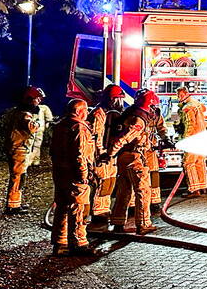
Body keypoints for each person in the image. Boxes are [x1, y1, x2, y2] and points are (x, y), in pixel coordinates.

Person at [107, 90, 160, 235]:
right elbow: (124, 138)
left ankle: (118, 222)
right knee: (143, 190)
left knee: (124, 191)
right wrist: (110, 154)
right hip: (133, 158)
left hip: (125, 157)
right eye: (152, 106)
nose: (153, 109)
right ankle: (143, 224)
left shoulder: (131, 113)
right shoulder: (138, 120)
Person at [50, 99, 97, 256]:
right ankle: (79, 243)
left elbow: (52, 151)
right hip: (74, 175)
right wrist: (83, 174)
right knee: (79, 208)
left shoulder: (60, 125)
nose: (87, 114)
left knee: (62, 207)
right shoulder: (79, 128)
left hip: (60, 172)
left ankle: (60, 242)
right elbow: (80, 154)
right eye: (85, 111)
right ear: (79, 111)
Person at [88, 85, 125, 226]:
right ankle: (97, 213)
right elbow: (97, 136)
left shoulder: (111, 112)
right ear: (111, 99)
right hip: (101, 155)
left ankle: (104, 209)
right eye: (118, 99)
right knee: (101, 183)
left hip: (110, 154)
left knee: (109, 182)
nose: (120, 103)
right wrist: (101, 153)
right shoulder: (99, 113)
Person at [3, 87, 43, 214]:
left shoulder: (17, 111)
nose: (39, 101)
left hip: (16, 147)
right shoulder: (24, 114)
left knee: (19, 176)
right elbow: (31, 127)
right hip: (19, 148)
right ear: (30, 99)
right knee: (19, 177)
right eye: (37, 98)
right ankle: (12, 206)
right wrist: (38, 123)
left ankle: (15, 203)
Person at [175, 87, 207, 197]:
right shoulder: (196, 103)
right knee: (199, 162)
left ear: (184, 94)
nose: (178, 98)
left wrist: (185, 139)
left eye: (179, 95)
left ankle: (194, 190)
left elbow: (190, 125)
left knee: (188, 163)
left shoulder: (187, 108)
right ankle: (202, 186)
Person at [28, 99, 54, 167]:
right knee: (31, 145)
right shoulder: (30, 107)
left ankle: (35, 161)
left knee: (36, 145)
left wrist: (47, 125)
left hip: (38, 129)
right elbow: (49, 118)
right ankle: (31, 161)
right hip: (32, 128)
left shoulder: (43, 107)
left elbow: (49, 118)